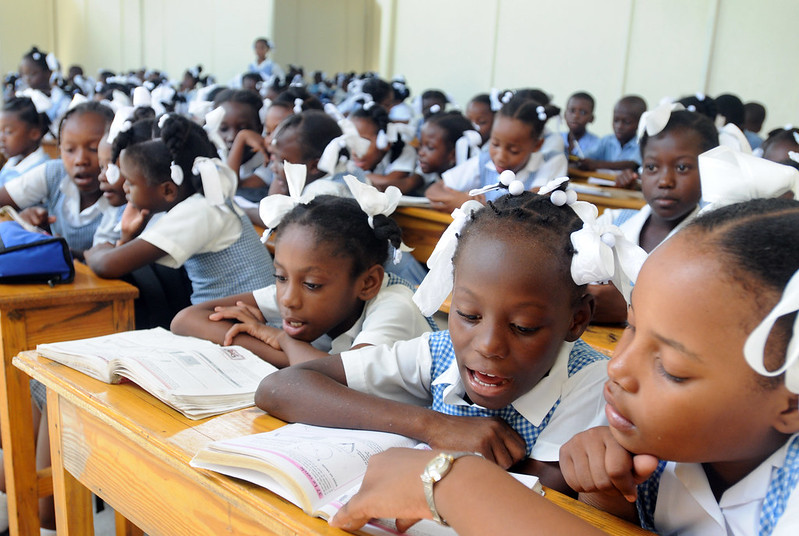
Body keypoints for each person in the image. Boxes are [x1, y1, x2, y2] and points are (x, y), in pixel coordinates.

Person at [328, 197, 799, 536]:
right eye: (631, 330)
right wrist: (609, 492)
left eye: (672, 367)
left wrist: (454, 482)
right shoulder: (669, 456)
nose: (617, 368)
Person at [256, 185, 623, 493]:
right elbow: (279, 388)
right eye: (468, 315)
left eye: (523, 327)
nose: (488, 345)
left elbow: (539, 493)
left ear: (577, 320)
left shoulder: (588, 382)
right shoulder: (440, 351)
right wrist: (433, 425)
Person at [171, 183, 435, 367]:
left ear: (368, 283)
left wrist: (281, 339)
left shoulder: (395, 306)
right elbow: (186, 319)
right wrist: (291, 351)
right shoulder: (298, 291)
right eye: (280, 277)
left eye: (311, 285)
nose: (287, 300)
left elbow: (343, 377)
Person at [83, 114, 274, 304]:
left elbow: (107, 265)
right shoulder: (206, 201)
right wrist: (125, 238)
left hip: (244, 319)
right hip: (238, 313)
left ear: (168, 190)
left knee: (180, 322)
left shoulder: (197, 212)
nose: (125, 188)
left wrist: (93, 252)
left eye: (131, 183)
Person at [589, 107, 718, 324]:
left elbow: (703, 319)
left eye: (682, 167)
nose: (665, 181)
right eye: (651, 167)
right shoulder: (613, 222)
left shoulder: (712, 246)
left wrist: (630, 311)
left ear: (709, 170)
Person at [0, 101, 117, 259]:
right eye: (70, 150)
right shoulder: (55, 172)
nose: (80, 160)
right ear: (60, 149)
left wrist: (51, 245)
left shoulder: (123, 194)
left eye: (93, 149)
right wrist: (20, 222)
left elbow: (106, 261)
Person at [426, 94, 567, 213]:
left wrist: (480, 207)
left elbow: (529, 208)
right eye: (495, 144)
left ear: (537, 145)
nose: (500, 157)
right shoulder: (484, 160)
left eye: (514, 150)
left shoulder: (552, 161)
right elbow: (434, 190)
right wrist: (460, 200)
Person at [349, 103, 418, 193]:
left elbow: (389, 181)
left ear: (383, 142)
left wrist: (351, 176)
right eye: (351, 140)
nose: (354, 151)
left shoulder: (405, 151)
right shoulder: (350, 152)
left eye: (363, 142)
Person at [412, 111, 480, 193]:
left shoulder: (470, 180)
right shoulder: (432, 170)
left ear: (453, 154)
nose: (420, 153)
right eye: (421, 145)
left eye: (430, 147)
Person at [579, 95, 646, 175]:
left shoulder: (642, 145)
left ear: (640, 123)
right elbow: (587, 157)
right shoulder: (606, 141)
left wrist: (596, 164)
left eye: (627, 122)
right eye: (616, 120)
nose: (619, 126)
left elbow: (632, 165)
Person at [0, 97, 50, 186]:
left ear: (34, 134)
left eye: (8, 131)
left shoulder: (40, 171)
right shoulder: (13, 161)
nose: (1, 138)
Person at [17, 46, 69, 122]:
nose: (27, 78)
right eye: (24, 74)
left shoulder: (62, 99)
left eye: (32, 74)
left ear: (48, 73)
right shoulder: (22, 99)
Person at [562, 91, 599, 158]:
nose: (576, 116)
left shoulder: (597, 144)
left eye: (583, 112)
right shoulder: (556, 138)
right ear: (564, 114)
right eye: (572, 111)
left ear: (591, 118)